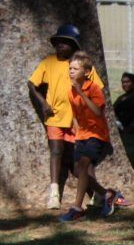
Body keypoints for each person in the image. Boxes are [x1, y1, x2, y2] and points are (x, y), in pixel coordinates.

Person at [26, 24, 99, 211]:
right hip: (55, 117)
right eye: (58, 43)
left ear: (74, 47)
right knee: (56, 152)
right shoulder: (48, 62)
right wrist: (43, 103)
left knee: (80, 160)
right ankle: (54, 193)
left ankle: (95, 194)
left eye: (66, 43)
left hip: (77, 119)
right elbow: (32, 84)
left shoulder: (81, 65)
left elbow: (96, 86)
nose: (61, 46)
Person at [58, 52, 116, 223]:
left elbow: (98, 111)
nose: (71, 71)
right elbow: (75, 115)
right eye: (70, 68)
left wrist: (82, 93)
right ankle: (107, 194)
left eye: (75, 68)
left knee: (84, 165)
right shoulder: (70, 92)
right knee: (77, 170)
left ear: (86, 72)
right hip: (82, 135)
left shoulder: (93, 88)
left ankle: (77, 208)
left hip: (97, 134)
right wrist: (77, 133)